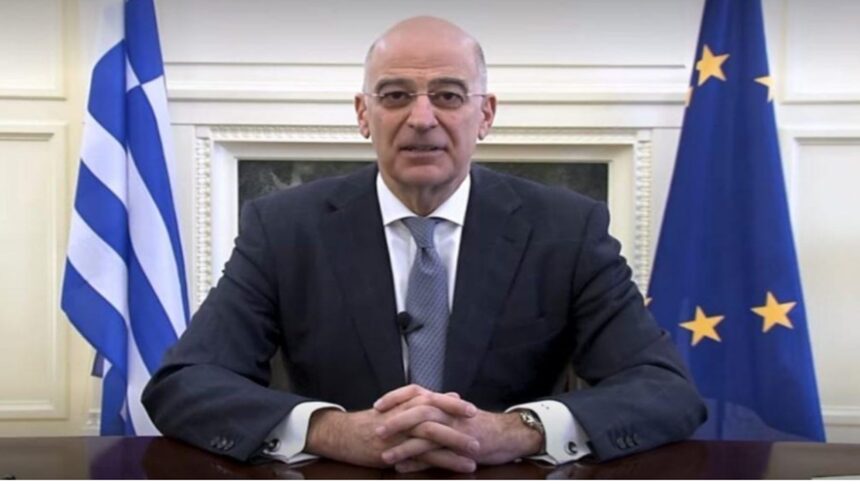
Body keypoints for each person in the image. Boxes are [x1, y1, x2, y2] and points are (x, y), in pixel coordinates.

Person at [142, 16, 706, 473]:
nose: (421, 118)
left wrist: (516, 431)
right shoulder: (285, 227)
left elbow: (664, 390)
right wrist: (333, 431)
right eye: (395, 95)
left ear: (485, 114)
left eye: (448, 95)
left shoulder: (566, 228)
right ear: (364, 114)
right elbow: (185, 384)